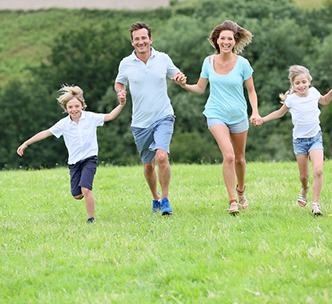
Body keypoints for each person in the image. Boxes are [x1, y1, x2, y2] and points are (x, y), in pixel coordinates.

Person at [174, 20, 260, 215]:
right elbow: (199, 88)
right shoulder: (209, 62)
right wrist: (184, 85)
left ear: (234, 40)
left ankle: (241, 191)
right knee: (228, 155)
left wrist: (254, 111)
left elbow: (252, 91)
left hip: (238, 114)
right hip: (215, 113)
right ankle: (232, 201)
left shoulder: (243, 64)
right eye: (223, 38)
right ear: (216, 41)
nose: (226, 42)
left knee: (239, 159)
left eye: (230, 38)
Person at [17, 85, 126, 223]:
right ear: (66, 109)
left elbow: (110, 116)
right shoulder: (63, 124)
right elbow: (46, 132)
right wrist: (26, 143)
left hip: (90, 158)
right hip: (74, 162)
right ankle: (81, 195)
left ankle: (91, 219)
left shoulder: (91, 117)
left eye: (76, 106)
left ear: (82, 106)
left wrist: (121, 104)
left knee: (86, 189)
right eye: (70, 107)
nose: (74, 109)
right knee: (77, 195)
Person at [252, 65, 332, 216]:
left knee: (318, 170)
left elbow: (325, 101)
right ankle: (305, 188)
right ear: (293, 85)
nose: (301, 85)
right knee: (304, 176)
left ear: (309, 81)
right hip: (300, 142)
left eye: (304, 82)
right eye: (297, 83)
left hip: (315, 137)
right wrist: (262, 119)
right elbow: (279, 113)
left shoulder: (315, 93)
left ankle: (315, 205)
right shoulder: (291, 99)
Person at [115, 22, 186, 216]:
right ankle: (155, 197)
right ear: (132, 43)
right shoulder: (126, 63)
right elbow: (119, 83)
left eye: (143, 38)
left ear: (150, 39)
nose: (141, 42)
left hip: (163, 115)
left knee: (162, 156)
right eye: (136, 39)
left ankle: (165, 200)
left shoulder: (162, 59)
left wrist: (180, 78)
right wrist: (121, 93)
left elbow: (177, 74)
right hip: (140, 122)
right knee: (148, 165)